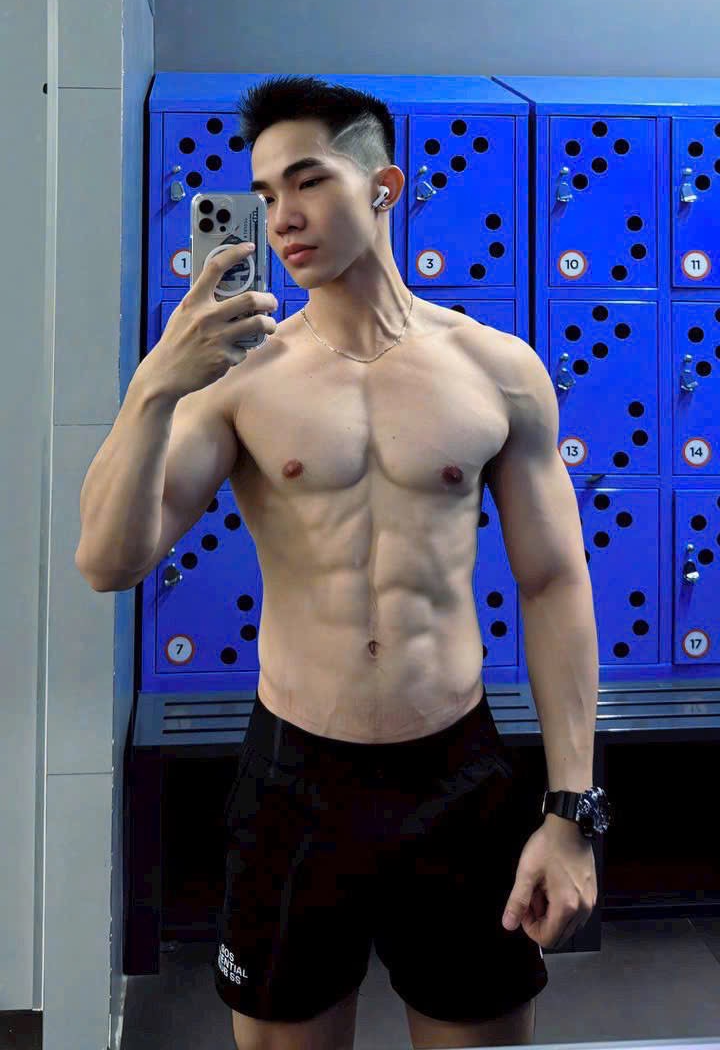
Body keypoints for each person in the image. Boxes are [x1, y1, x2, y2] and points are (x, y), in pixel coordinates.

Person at [76, 76, 553, 1049]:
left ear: (383, 186)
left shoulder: (495, 366)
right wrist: (154, 388)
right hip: (294, 777)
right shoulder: (242, 378)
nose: (282, 216)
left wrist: (575, 807)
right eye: (266, 193)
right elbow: (108, 561)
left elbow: (555, 582)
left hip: (458, 771)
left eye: (308, 180)